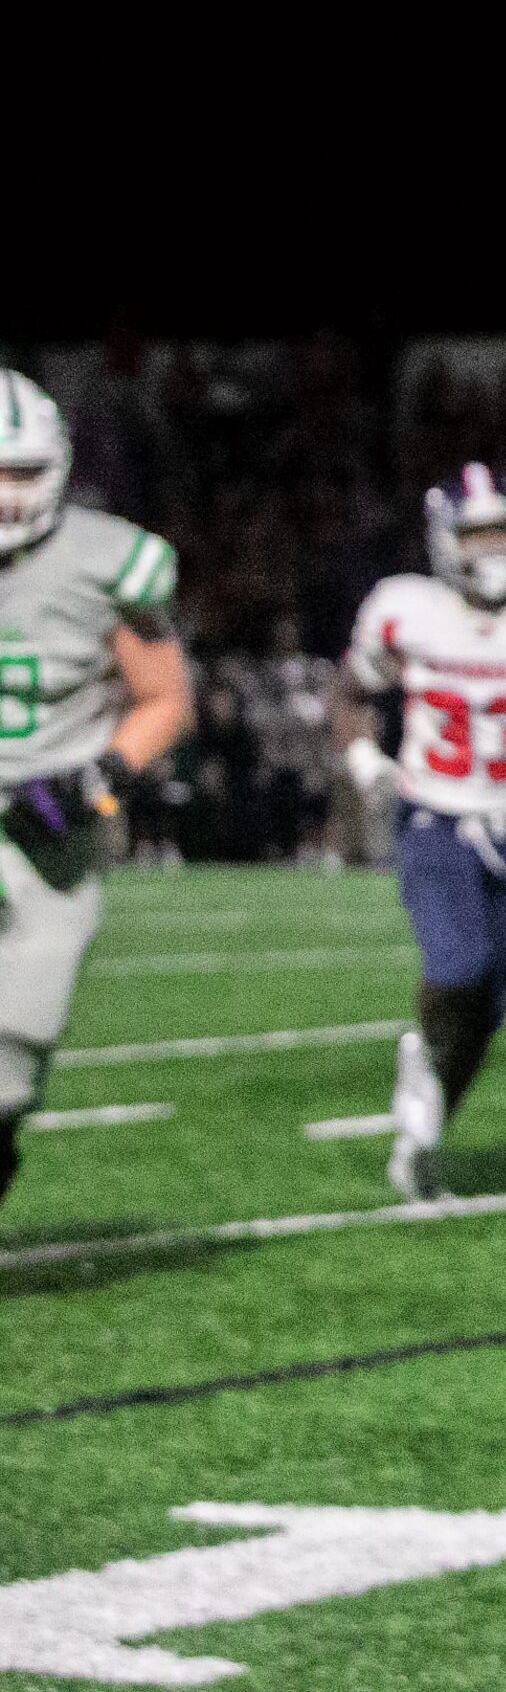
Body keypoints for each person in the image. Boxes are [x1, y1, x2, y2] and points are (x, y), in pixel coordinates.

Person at [335, 466, 506, 1198]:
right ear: (443, 542)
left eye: (500, 530)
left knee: (489, 1006)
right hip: (435, 815)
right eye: (473, 533)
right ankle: (422, 1092)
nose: (489, 547)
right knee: (456, 965)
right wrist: (364, 757)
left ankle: (423, 1132)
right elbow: (353, 689)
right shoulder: (406, 608)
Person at [0, 371, 193, 1215]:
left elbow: (167, 696)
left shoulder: (105, 560)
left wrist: (98, 779)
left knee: (12, 1062)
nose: (8, 495)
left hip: (53, 825)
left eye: (23, 472)